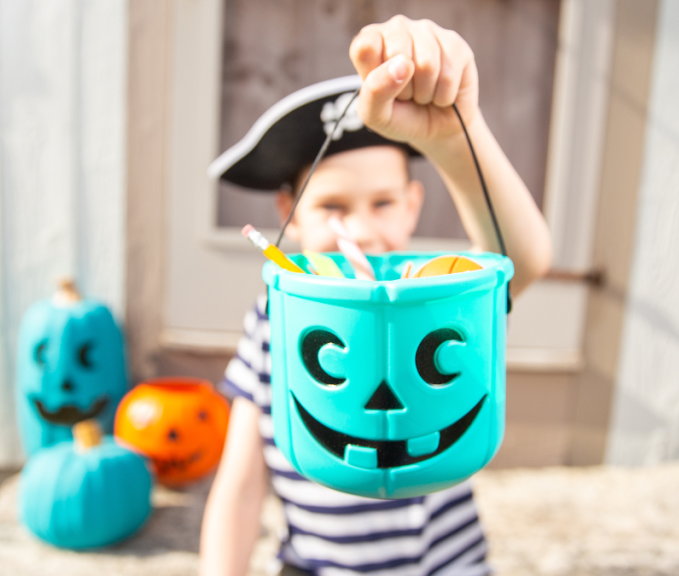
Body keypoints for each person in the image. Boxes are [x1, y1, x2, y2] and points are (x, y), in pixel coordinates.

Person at [200, 15, 552, 576]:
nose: (359, 230)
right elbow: (241, 487)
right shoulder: (271, 320)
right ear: (287, 218)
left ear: (413, 204)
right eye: (333, 207)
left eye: (383, 203)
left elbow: (523, 260)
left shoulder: (444, 301)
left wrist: (456, 139)